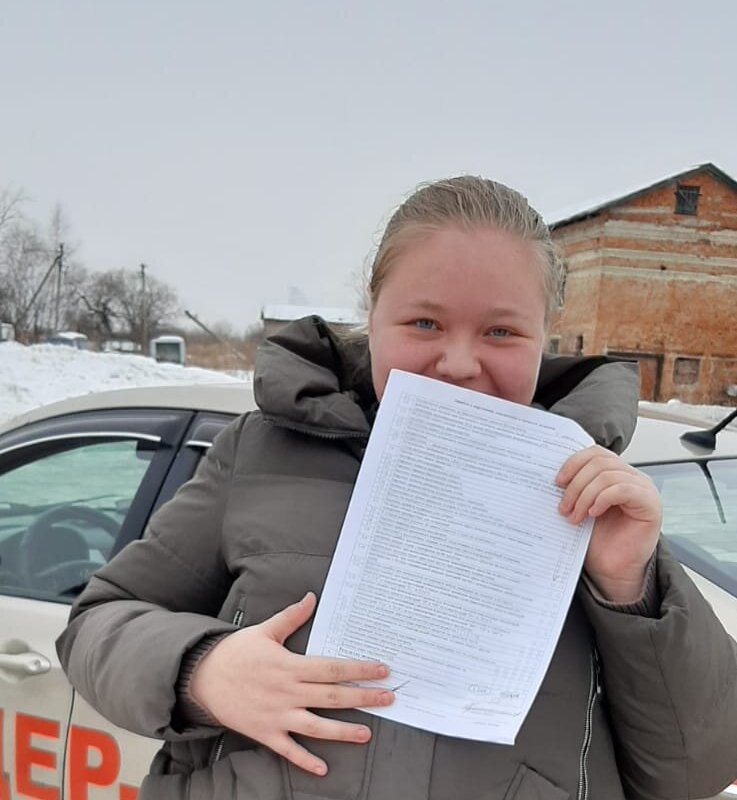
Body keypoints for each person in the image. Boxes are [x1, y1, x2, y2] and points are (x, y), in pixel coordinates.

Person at [57, 176, 737, 800]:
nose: (459, 363)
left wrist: (629, 587)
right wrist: (201, 671)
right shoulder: (261, 453)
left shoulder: (588, 501)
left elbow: (698, 769)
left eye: (501, 331)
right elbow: (96, 625)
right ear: (372, 316)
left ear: (544, 338)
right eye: (424, 324)